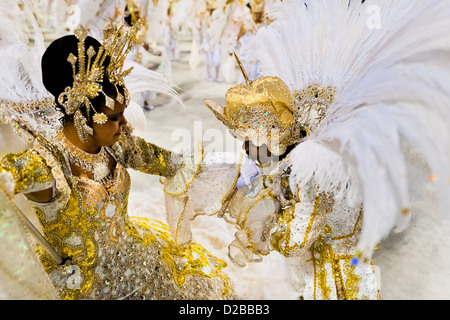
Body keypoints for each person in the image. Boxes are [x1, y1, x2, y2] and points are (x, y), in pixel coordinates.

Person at [163, 0, 450, 300]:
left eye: (248, 141)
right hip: (331, 254)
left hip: (337, 266)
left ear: (270, 137)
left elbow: (295, 241)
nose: (245, 149)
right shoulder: (291, 146)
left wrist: (263, 225)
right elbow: (260, 178)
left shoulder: (311, 168)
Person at [0, 21, 233, 300]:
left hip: (136, 260)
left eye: (122, 112)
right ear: (80, 116)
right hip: (78, 285)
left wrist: (238, 169)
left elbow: (171, 162)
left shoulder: (116, 144)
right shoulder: (45, 164)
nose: (125, 123)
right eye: (113, 118)